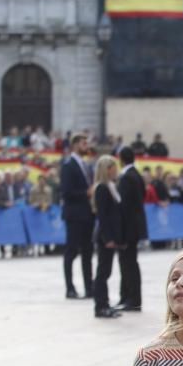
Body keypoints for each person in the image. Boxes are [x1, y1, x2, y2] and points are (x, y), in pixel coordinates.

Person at [60, 133, 95, 299]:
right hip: (74, 215)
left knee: (87, 251)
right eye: (83, 143)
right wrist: (86, 193)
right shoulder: (68, 165)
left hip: (87, 214)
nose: (86, 146)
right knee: (71, 251)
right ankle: (70, 287)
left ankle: (89, 287)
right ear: (74, 145)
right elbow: (67, 192)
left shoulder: (86, 165)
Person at [90, 155, 123, 319]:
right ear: (107, 169)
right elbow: (103, 215)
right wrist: (108, 238)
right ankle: (100, 305)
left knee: (106, 271)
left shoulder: (111, 186)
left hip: (110, 235)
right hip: (104, 236)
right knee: (102, 272)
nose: (115, 170)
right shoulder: (102, 188)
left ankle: (105, 303)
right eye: (113, 167)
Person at [117, 147, 147, 312]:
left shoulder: (127, 177)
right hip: (134, 226)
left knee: (128, 264)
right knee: (128, 262)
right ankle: (126, 296)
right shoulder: (136, 175)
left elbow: (124, 205)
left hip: (128, 228)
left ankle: (132, 299)